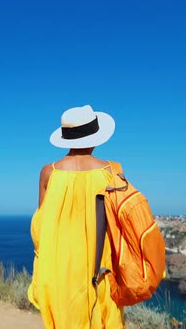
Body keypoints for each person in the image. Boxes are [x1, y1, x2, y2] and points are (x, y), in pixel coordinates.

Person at [28, 105, 124, 328]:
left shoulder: (48, 172)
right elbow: (119, 220)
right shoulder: (113, 170)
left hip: (61, 263)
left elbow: (40, 226)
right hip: (101, 262)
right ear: (96, 136)